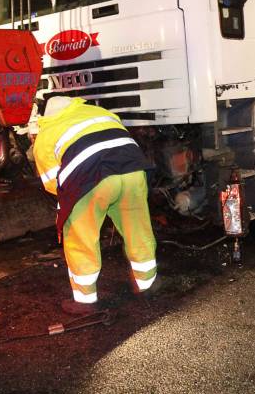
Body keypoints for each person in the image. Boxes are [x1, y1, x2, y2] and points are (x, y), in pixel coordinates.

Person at [28, 95, 160, 315]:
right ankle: (147, 284)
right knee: (137, 228)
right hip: (133, 171)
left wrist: (70, 203)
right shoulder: (102, 113)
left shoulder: (46, 133)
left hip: (90, 180)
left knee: (81, 238)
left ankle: (85, 300)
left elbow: (53, 183)